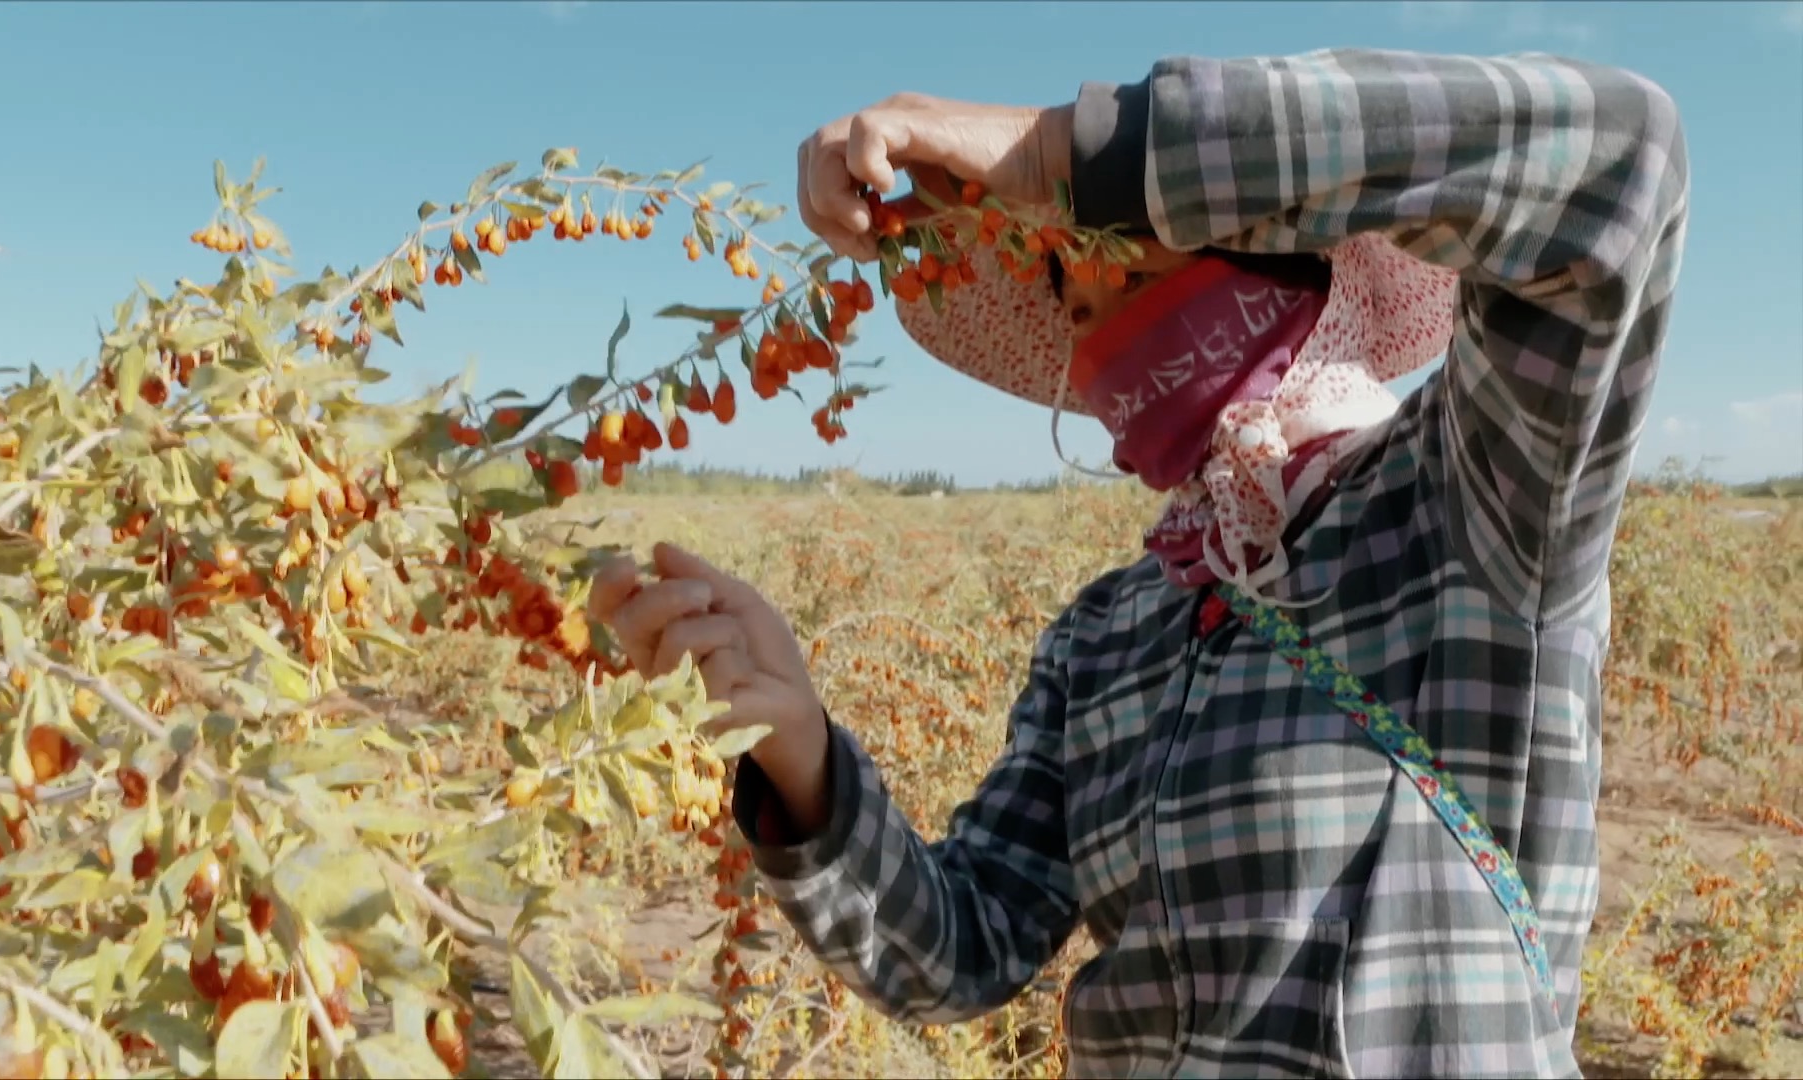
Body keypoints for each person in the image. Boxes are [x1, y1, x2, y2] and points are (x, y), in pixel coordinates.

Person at [589, 47, 1687, 1079]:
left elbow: (1620, 164)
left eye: (1130, 268)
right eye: (1076, 303)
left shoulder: (1469, 507)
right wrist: (801, 753)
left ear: (1296, 270)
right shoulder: (1109, 633)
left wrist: (1070, 155)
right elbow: (962, 949)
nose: (1102, 330)